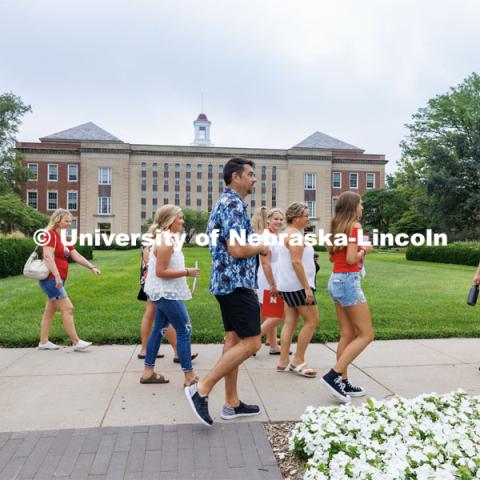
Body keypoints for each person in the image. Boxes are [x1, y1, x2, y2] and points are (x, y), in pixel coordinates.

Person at [184, 157, 269, 426]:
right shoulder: (232, 204)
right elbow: (236, 249)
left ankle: (231, 403)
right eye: (251, 175)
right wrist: (260, 246)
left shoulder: (229, 203)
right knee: (253, 342)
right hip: (235, 283)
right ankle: (201, 389)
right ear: (236, 177)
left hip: (227, 282)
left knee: (233, 341)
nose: (254, 179)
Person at [321, 191, 374, 403]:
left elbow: (335, 256)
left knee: (346, 334)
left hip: (336, 280)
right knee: (367, 335)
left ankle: (342, 380)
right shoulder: (355, 226)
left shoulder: (337, 225)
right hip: (348, 282)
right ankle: (333, 376)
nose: (362, 207)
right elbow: (352, 258)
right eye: (360, 204)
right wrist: (365, 251)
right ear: (353, 206)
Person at [140, 205, 199, 386]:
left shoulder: (169, 238)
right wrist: (187, 272)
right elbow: (161, 271)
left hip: (164, 291)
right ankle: (189, 377)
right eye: (180, 218)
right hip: (166, 293)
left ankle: (148, 372)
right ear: (170, 220)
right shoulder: (165, 241)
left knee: (158, 330)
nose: (182, 221)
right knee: (184, 329)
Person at [38, 208, 100, 351]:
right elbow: (48, 256)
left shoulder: (62, 237)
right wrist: (57, 276)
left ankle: (43, 342)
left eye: (70, 221)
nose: (69, 224)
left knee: (50, 311)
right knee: (68, 308)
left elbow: (75, 255)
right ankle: (76, 342)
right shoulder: (49, 234)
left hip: (57, 278)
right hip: (52, 279)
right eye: (66, 221)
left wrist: (91, 267)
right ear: (57, 220)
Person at [276, 202, 319, 378]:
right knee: (312, 321)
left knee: (290, 322)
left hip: (287, 286)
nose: (307, 218)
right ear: (296, 217)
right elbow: (296, 262)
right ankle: (298, 360)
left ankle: (283, 361)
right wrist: (307, 288)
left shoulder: (287, 234)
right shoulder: (294, 235)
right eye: (305, 215)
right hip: (298, 286)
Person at [137, 245, 198, 363]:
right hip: (156, 282)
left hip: (151, 280)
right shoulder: (158, 237)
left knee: (151, 314)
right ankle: (178, 352)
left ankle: (145, 350)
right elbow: (148, 259)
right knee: (164, 315)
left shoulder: (154, 237)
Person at [252, 207, 286, 354]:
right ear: (268, 220)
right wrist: (273, 284)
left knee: (271, 312)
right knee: (277, 313)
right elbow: (265, 262)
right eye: (275, 219)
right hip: (268, 277)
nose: (278, 221)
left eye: (281, 219)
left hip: (276, 275)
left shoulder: (278, 236)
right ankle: (252, 341)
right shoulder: (266, 236)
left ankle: (273, 345)